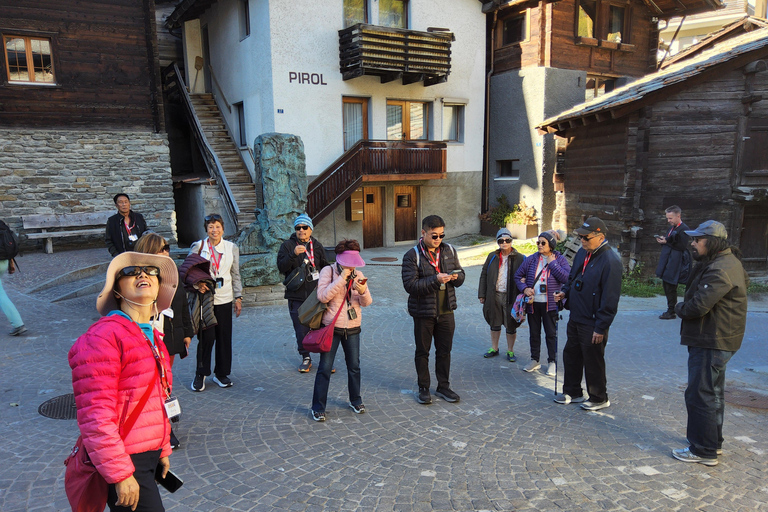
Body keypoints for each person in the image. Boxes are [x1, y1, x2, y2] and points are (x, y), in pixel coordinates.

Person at [68, 251, 178, 511]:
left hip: (145, 456)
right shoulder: (103, 336)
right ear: (117, 292)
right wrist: (120, 473)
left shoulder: (151, 336)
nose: (142, 274)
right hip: (124, 460)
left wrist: (162, 448)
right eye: (130, 272)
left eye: (151, 271)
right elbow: (95, 415)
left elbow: (156, 398)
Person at [671, 220, 749, 466]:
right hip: (717, 338)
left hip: (712, 339)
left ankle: (703, 450)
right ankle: (713, 443)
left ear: (712, 242)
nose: (693, 243)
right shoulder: (722, 262)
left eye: (697, 240)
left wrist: (677, 307)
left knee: (700, 394)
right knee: (713, 393)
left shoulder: (721, 268)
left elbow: (697, 306)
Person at [553, 217, 622, 411]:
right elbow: (572, 277)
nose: (582, 241)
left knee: (593, 359)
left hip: (593, 321)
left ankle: (599, 397)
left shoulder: (611, 261)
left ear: (600, 236)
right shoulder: (583, 253)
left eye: (586, 237)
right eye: (580, 237)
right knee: (571, 354)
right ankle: (573, 392)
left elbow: (610, 299)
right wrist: (564, 292)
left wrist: (601, 326)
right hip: (576, 315)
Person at [135, 233, 193, 449]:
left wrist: (187, 331)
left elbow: (182, 302)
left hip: (167, 338)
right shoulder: (136, 278)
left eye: (167, 247)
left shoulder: (172, 273)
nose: (166, 252)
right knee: (150, 386)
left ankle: (164, 427)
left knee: (164, 384)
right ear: (149, 251)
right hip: (144, 338)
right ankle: (160, 429)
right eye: (161, 248)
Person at [402, 215, 465, 405]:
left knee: (444, 351)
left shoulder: (450, 250)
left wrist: (456, 277)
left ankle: (443, 386)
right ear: (423, 233)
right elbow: (410, 286)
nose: (438, 240)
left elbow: (461, 275)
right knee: (423, 351)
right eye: (434, 236)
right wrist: (435, 280)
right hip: (423, 312)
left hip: (446, 310)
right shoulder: (412, 255)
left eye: (441, 235)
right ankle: (423, 387)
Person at [310, 240, 372, 422]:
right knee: (325, 368)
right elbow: (322, 296)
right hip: (332, 327)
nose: (351, 266)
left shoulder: (358, 273)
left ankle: (356, 399)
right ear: (339, 259)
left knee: (354, 366)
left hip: (353, 327)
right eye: (348, 261)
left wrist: (362, 291)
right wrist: (341, 279)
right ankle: (318, 407)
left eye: (353, 262)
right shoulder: (328, 272)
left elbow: (367, 303)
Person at [189, 214, 243, 391]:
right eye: (211, 226)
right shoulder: (198, 247)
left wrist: (238, 297)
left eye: (217, 226)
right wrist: (197, 284)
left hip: (225, 298)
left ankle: (222, 373)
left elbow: (235, 273)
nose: (214, 230)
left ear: (223, 229)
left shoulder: (231, 247)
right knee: (207, 337)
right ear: (206, 229)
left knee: (224, 337)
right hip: (206, 299)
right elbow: (188, 271)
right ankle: (200, 373)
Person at [277, 213, 330, 373]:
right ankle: (306, 357)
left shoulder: (317, 245)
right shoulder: (287, 246)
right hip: (297, 295)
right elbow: (281, 267)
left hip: (316, 295)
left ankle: (325, 359)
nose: (301, 230)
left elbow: (325, 266)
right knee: (301, 328)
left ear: (310, 229)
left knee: (321, 327)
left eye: (304, 227)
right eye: (298, 228)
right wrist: (293, 254)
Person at [515, 230, 571, 376]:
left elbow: (567, 278)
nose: (539, 245)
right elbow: (517, 276)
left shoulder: (559, 260)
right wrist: (525, 288)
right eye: (538, 242)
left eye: (543, 243)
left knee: (551, 334)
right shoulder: (532, 259)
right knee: (534, 333)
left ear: (551, 244)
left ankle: (552, 362)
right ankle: (535, 360)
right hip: (533, 303)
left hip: (550, 303)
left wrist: (552, 264)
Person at [478, 228, 525, 362]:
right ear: (497, 242)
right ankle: (494, 348)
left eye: (507, 240)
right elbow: (484, 275)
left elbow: (526, 275)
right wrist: (482, 293)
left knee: (511, 324)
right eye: (501, 240)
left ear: (511, 241)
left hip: (512, 296)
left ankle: (510, 351)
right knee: (494, 321)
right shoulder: (492, 256)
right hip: (494, 294)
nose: (504, 243)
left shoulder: (520, 257)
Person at [655, 205, 691, 319]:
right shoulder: (672, 228)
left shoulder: (684, 229)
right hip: (668, 260)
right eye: (667, 218)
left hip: (675, 262)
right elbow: (670, 241)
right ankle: (671, 309)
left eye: (670, 218)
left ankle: (671, 311)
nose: (668, 221)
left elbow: (681, 246)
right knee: (667, 285)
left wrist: (666, 242)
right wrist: (663, 241)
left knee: (670, 285)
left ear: (678, 216)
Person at [1, 257, 25, 336]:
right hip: (3, 262)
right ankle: (17, 323)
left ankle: (17, 324)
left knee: (1, 295)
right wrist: (11, 262)